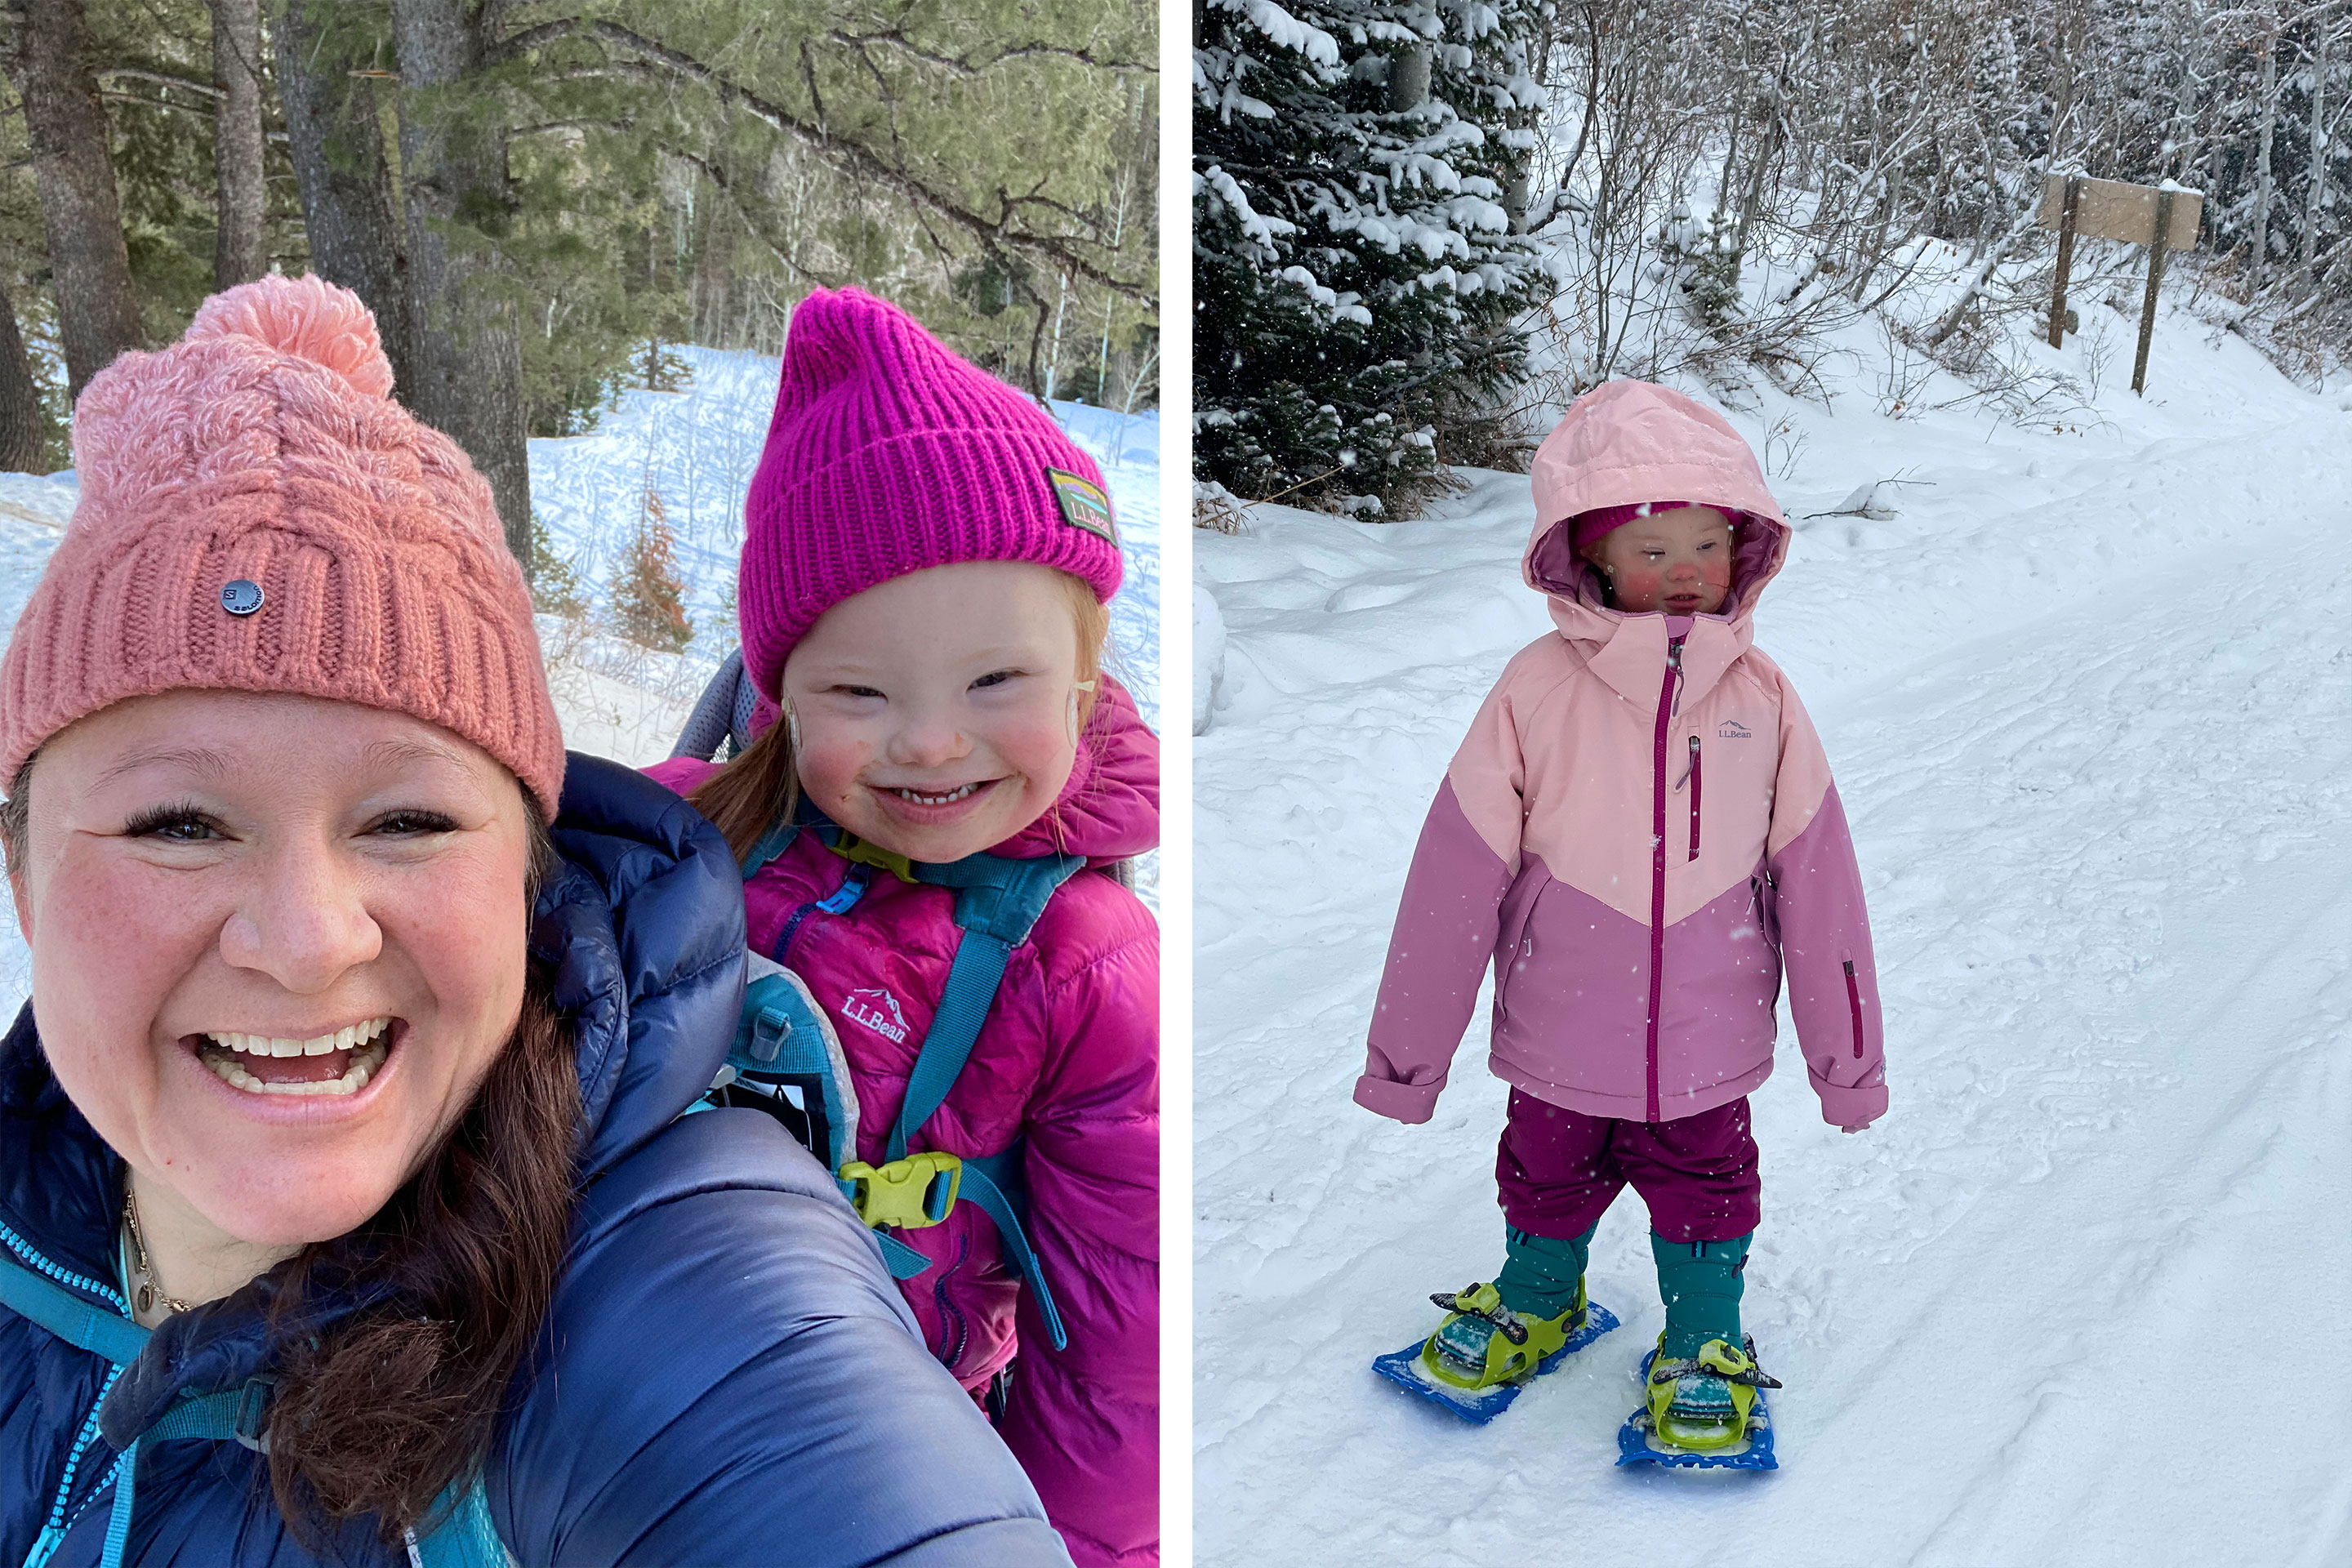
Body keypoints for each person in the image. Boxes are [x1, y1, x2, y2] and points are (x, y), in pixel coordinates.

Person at [0, 274, 1072, 1566]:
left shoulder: (667, 1296)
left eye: (407, 821)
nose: (306, 941)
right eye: (179, 824)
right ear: (21, 874)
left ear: (530, 873)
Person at [648, 288, 1158, 1567]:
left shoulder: (1085, 965)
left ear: (1084, 680)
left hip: (903, 1462)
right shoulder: (686, 849)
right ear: (780, 698)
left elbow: (1120, 1349)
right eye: (861, 691)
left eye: (996, 682)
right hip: (637, 1415)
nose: (931, 740)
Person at [1356, 379, 1885, 1454]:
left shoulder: (1767, 703)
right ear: (1589, 557)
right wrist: (1406, 1061)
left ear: (1746, 551)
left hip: (1709, 1044)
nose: (1683, 570)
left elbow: (1822, 891)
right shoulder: (1533, 693)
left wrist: (1849, 1065)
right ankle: (1539, 1299)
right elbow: (1450, 885)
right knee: (1542, 1172)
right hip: (1557, 1035)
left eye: (1705, 543)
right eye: (1650, 550)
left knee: (1709, 1188)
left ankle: (1703, 1338)